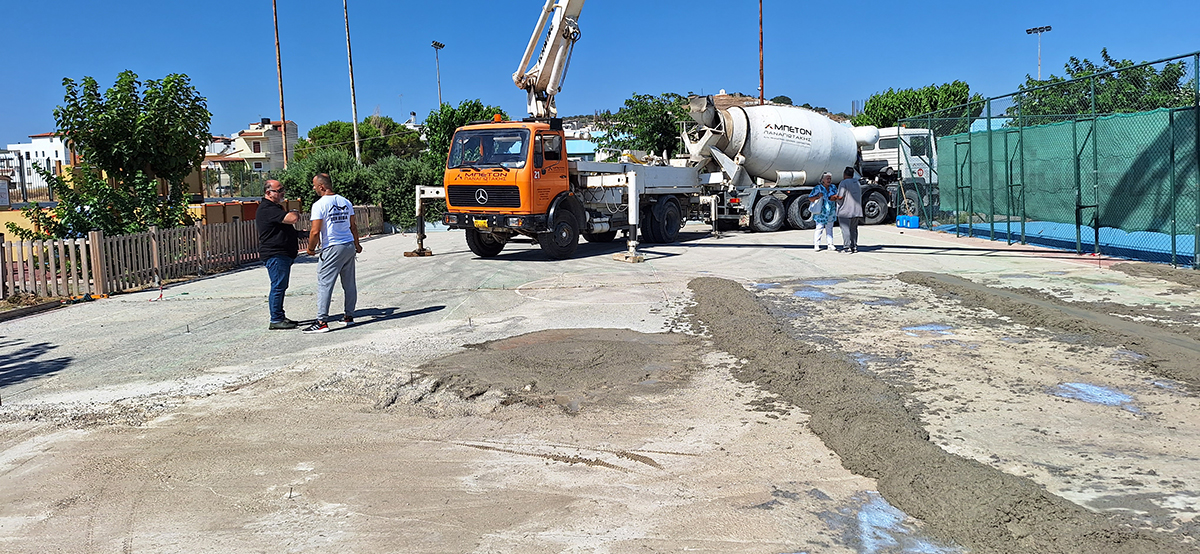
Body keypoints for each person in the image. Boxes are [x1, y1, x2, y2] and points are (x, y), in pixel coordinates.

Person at [303, 173, 362, 334]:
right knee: (349, 283)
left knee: (325, 284)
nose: (314, 188)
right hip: (348, 245)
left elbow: (315, 231)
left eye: (314, 185)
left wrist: (310, 249)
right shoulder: (345, 201)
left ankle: (322, 321)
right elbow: (353, 226)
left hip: (332, 247)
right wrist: (357, 244)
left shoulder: (319, 205)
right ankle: (349, 316)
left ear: (321, 187)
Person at [257, 179, 301, 329]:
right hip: (275, 254)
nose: (283, 193)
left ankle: (280, 316)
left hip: (283, 254)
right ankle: (275, 319)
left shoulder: (275, 208)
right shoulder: (267, 208)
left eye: (283, 189)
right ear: (268, 193)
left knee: (281, 285)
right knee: (278, 286)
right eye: (279, 190)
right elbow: (292, 218)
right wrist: (294, 210)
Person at [832, 166, 864, 253]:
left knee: (845, 229)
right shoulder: (857, 182)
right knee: (853, 229)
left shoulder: (844, 183)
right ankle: (854, 246)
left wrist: (834, 197)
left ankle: (847, 247)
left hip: (845, 210)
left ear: (844, 174)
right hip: (856, 210)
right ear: (853, 174)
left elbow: (840, 196)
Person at [808, 172, 837, 251]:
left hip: (831, 211)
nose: (829, 180)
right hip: (821, 212)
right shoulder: (818, 188)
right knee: (819, 228)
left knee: (830, 228)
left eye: (830, 178)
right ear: (823, 180)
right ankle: (817, 244)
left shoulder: (833, 187)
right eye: (827, 178)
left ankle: (830, 244)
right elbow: (810, 198)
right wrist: (817, 197)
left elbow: (835, 196)